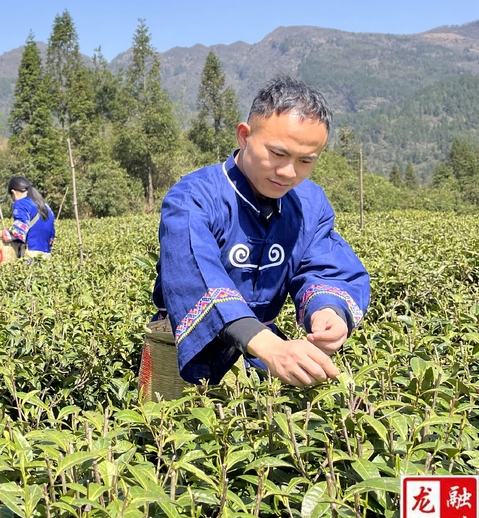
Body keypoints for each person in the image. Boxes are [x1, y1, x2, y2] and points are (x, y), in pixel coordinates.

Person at [152, 74, 369, 387]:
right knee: (168, 433)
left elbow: (325, 267)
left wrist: (329, 312)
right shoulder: (192, 198)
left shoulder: (309, 202)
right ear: (244, 135)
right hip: (188, 351)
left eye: (306, 160)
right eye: (278, 154)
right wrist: (268, 346)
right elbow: (194, 276)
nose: (288, 172)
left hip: (268, 359)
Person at [0, 176, 56, 260]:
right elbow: (51, 236)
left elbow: (18, 233)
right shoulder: (46, 207)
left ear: (13, 192)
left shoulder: (21, 204)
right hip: (46, 257)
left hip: (30, 256)